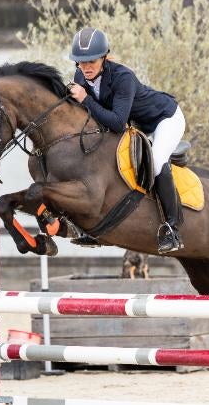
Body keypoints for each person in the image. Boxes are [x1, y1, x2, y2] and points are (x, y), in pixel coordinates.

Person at [67, 27, 186, 254]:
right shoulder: (80, 77)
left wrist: (85, 99)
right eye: (81, 62)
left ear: (104, 57)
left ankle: (172, 229)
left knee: (156, 161)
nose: (86, 67)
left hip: (165, 119)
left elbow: (117, 122)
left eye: (91, 61)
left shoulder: (123, 78)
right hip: (138, 126)